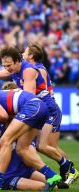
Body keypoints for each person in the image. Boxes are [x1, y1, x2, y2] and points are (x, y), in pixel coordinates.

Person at [0, 46, 74, 184]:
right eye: (4, 66)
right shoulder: (15, 69)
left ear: (17, 61)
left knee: (38, 145)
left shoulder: (28, 71)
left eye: (9, 65)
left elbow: (29, 97)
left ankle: (66, 168)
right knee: (23, 148)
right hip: (37, 109)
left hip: (46, 109)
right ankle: (54, 173)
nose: (7, 68)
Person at [23, 43, 78, 184]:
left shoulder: (37, 70)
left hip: (48, 109)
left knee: (49, 147)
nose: (22, 53)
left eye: (25, 52)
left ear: (31, 56)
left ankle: (70, 170)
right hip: (45, 109)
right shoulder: (35, 69)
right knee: (46, 146)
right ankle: (68, 170)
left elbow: (40, 90)